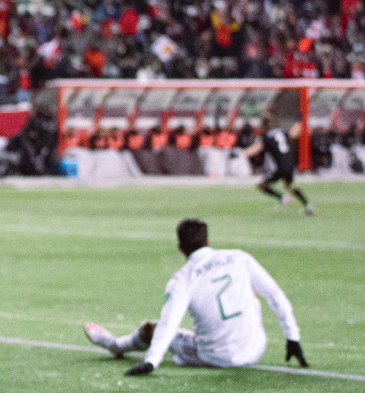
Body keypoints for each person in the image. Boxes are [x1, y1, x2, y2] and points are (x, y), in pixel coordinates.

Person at [85, 218, 308, 376]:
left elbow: (168, 324)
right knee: (251, 289)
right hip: (255, 349)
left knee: (151, 328)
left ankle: (115, 345)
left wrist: (151, 361)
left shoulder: (182, 279)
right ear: (208, 241)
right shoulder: (240, 258)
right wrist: (293, 337)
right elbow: (275, 295)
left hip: (214, 357)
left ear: (180, 248)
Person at [244, 117, 315, 215]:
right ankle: (308, 206)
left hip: (280, 167)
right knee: (290, 186)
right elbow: (295, 133)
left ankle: (284, 199)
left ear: (264, 126)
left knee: (262, 186)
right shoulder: (284, 133)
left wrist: (241, 153)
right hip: (290, 164)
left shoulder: (267, 137)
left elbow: (257, 148)